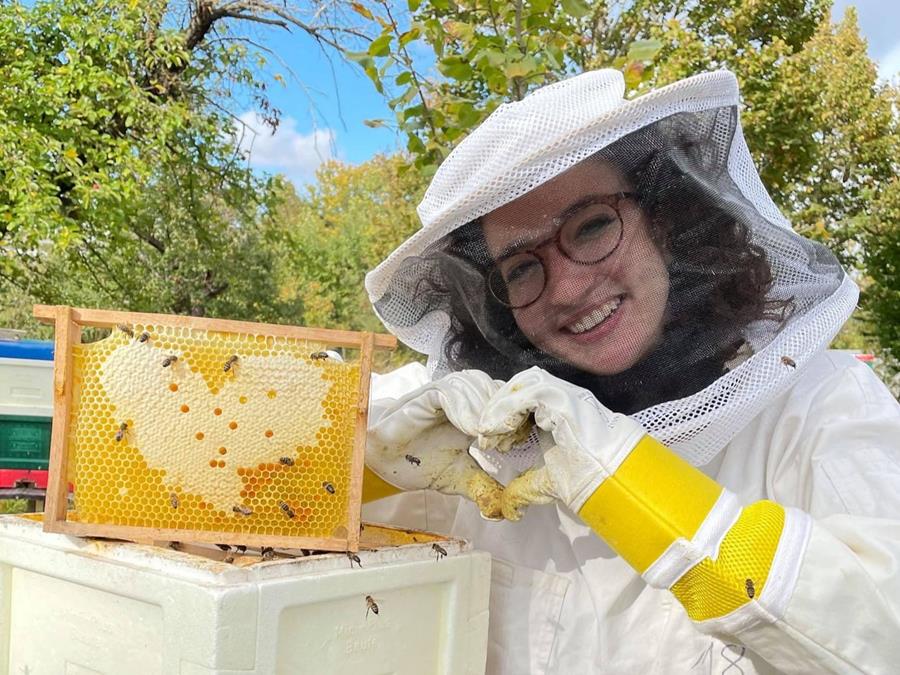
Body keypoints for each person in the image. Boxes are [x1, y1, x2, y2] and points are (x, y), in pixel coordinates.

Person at [360, 69, 900, 674]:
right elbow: (256, 510)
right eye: (520, 268)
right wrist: (368, 471)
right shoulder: (474, 442)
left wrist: (640, 490)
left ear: (663, 221)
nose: (566, 286)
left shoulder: (824, 405)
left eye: (591, 225)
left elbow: (881, 636)